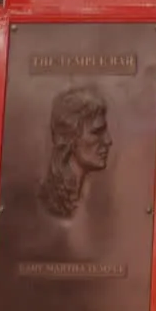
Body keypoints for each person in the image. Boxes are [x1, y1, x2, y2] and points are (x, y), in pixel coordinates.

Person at [38, 86, 112, 218]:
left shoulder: (96, 197)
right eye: (96, 132)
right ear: (70, 138)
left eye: (105, 131)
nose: (108, 140)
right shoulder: (48, 200)